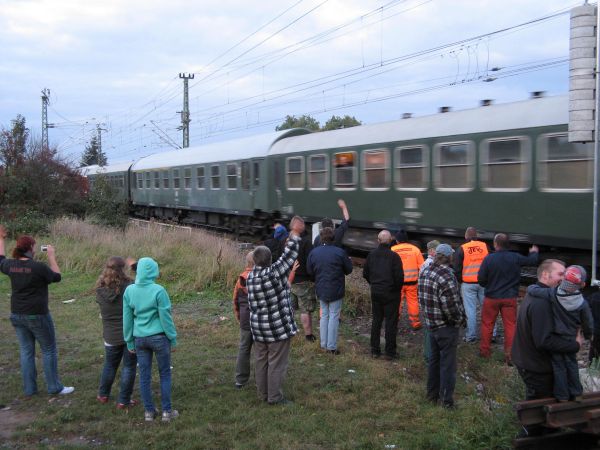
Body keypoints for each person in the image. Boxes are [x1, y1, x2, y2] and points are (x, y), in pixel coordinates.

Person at [0, 226, 74, 396]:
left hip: (17, 314)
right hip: (37, 314)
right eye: (34, 246)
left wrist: (2, 239)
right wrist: (51, 256)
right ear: (30, 249)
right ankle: (54, 387)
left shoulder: (10, 265)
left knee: (26, 351)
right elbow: (57, 276)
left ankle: (30, 389)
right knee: (48, 350)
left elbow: (0, 259)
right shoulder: (38, 267)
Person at [247, 216, 304, 405]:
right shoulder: (273, 274)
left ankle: (262, 394)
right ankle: (274, 397)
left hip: (258, 328)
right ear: (270, 259)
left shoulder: (251, 277)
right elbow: (289, 256)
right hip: (276, 329)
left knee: (261, 361)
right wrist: (295, 232)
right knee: (277, 364)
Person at [123, 257, 178, 422]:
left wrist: (129, 341)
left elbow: (127, 319)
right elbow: (165, 317)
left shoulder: (129, 291)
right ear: (154, 271)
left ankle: (149, 412)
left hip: (139, 338)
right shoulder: (159, 290)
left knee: (144, 375)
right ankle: (167, 412)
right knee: (165, 374)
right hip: (160, 338)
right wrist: (172, 338)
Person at [526, 265, 592, 401]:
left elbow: (534, 290)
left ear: (563, 280)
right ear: (583, 284)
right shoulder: (582, 303)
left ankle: (561, 396)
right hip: (571, 338)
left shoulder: (552, 294)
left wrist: (530, 287)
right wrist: (588, 334)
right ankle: (576, 392)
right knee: (572, 364)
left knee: (558, 366)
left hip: (557, 337)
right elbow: (588, 322)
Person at [418, 244, 466, 409]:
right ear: (449, 257)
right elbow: (451, 307)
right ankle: (447, 401)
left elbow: (421, 298)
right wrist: (459, 321)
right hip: (446, 328)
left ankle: (431, 396)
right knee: (448, 365)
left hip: (431, 325)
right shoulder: (447, 276)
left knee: (434, 361)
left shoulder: (425, 271)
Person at [477, 233, 538, 363]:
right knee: (510, 325)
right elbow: (532, 261)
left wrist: (489, 285)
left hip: (491, 298)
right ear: (507, 244)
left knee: (487, 325)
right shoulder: (515, 257)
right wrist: (533, 252)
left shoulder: (489, 259)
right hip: (509, 297)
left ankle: (485, 353)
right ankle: (510, 356)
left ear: (495, 244)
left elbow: (481, 279)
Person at [96, 256, 138, 409]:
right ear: (123, 269)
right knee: (129, 367)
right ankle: (124, 400)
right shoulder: (130, 286)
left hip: (110, 335)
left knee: (110, 365)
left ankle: (103, 394)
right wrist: (135, 266)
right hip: (129, 335)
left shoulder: (100, 289)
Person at [307, 227, 353, 354]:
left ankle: (323, 344)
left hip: (321, 288)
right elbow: (349, 270)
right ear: (333, 238)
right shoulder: (340, 252)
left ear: (321, 238)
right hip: (336, 289)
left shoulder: (314, 252)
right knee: (333, 316)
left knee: (324, 316)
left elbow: (310, 271)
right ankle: (331, 347)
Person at [363, 230, 404, 359]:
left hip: (376, 292)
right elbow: (399, 278)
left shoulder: (371, 255)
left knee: (376, 321)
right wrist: (395, 289)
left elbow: (365, 274)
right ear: (390, 240)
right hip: (391, 294)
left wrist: (374, 284)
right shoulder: (394, 257)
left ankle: (375, 350)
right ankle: (390, 352)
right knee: (391, 322)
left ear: (378, 240)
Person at [453, 227, 489, 343]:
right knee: (487, 309)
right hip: (484, 283)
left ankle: (471, 336)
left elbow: (457, 269)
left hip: (468, 284)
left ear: (466, 237)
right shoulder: (485, 246)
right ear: (476, 236)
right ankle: (491, 335)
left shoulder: (462, 249)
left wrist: (461, 280)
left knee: (470, 311)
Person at [391, 229, 424, 330]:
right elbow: (422, 267)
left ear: (397, 240)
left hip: (397, 283)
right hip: (412, 282)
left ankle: (394, 322)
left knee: (396, 302)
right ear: (407, 239)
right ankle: (415, 322)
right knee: (413, 301)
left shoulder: (392, 250)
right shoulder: (415, 249)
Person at [290, 226, 317, 342]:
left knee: (290, 308)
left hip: (289, 280)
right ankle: (308, 335)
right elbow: (310, 262)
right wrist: (312, 277)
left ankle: (289, 331)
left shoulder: (286, 241)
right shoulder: (306, 242)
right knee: (305, 310)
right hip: (303, 282)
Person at [233, 251, 254, 389]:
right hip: (262, 321)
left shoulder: (241, 279)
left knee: (244, 348)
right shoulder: (264, 277)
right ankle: (262, 378)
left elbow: (235, 301)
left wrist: (239, 318)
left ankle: (240, 380)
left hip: (246, 320)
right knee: (261, 351)